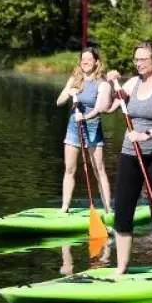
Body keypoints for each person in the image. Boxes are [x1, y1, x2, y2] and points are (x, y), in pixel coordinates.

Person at [104, 40, 152, 276]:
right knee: (122, 211)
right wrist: (109, 84)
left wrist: (145, 135)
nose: (139, 63)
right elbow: (108, 108)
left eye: (143, 59)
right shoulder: (130, 83)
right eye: (136, 59)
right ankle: (121, 268)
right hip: (130, 153)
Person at [56, 47, 112, 214]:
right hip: (74, 127)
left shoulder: (102, 84)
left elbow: (99, 108)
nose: (85, 62)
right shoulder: (75, 79)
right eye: (83, 59)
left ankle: (108, 208)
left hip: (92, 127)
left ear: (96, 62)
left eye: (89, 59)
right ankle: (64, 207)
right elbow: (59, 101)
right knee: (69, 169)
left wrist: (85, 117)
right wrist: (69, 93)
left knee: (98, 170)